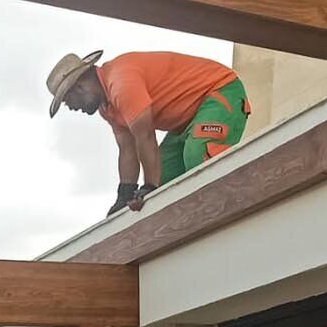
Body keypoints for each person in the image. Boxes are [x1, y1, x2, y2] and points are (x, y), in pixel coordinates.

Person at [45, 48, 251, 216]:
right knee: (163, 181)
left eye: (67, 100)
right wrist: (125, 195)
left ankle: (231, 210)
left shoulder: (120, 83)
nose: (71, 107)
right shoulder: (107, 108)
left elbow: (145, 137)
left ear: (79, 87)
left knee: (198, 154)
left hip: (219, 91)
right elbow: (127, 149)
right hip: (185, 121)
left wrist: (149, 187)